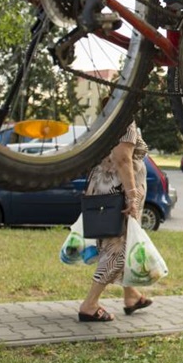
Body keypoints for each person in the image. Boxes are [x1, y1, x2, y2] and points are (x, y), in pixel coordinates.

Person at [77, 117, 152, 322]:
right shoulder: (124, 121)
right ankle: (90, 304)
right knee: (117, 249)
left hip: (106, 189)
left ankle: (131, 296)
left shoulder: (105, 118)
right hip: (118, 194)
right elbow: (122, 158)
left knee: (120, 245)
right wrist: (132, 195)